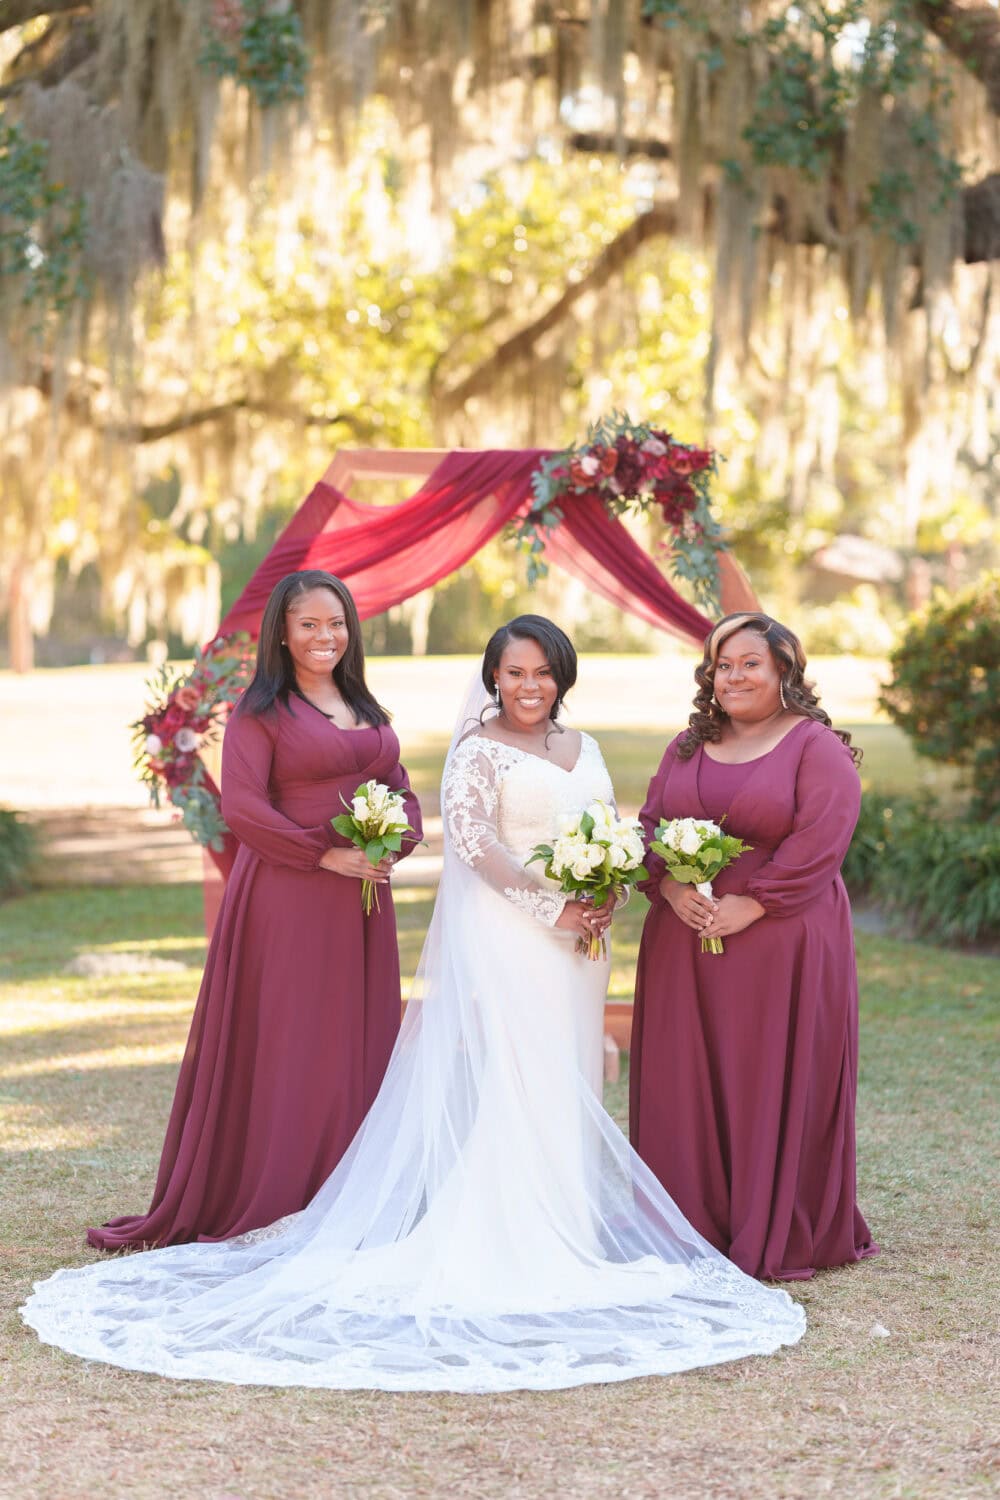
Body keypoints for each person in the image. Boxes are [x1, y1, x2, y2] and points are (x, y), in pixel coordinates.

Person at [23, 615, 804, 1391]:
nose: (528, 686)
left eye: (543, 672)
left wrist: (602, 889)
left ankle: (568, 1222)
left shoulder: (585, 747)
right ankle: (508, 1230)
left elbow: (605, 827)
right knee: (520, 1072)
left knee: (569, 1070)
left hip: (582, 946)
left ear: (563, 676)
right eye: (514, 672)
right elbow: (475, 846)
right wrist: (549, 909)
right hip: (515, 936)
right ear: (493, 677)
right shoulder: (476, 751)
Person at [86, 569, 422, 1250]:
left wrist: (396, 841)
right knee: (299, 1042)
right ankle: (284, 1189)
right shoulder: (261, 710)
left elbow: (399, 787)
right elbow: (243, 807)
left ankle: (349, 1186)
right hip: (291, 895)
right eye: (309, 625)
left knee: (356, 1039)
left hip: (362, 899)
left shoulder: (364, 701)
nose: (325, 636)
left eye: (336, 623)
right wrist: (324, 856)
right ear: (283, 632)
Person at [630, 611, 878, 1281]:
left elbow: (824, 836)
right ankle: (690, 1221)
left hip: (782, 938)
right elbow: (652, 823)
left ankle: (774, 1220)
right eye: (722, 665)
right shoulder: (686, 745)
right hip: (684, 938)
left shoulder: (813, 746)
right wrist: (669, 886)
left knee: (764, 1072)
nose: (733, 676)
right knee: (690, 1075)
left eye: (750, 664)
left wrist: (756, 901)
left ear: (784, 672)